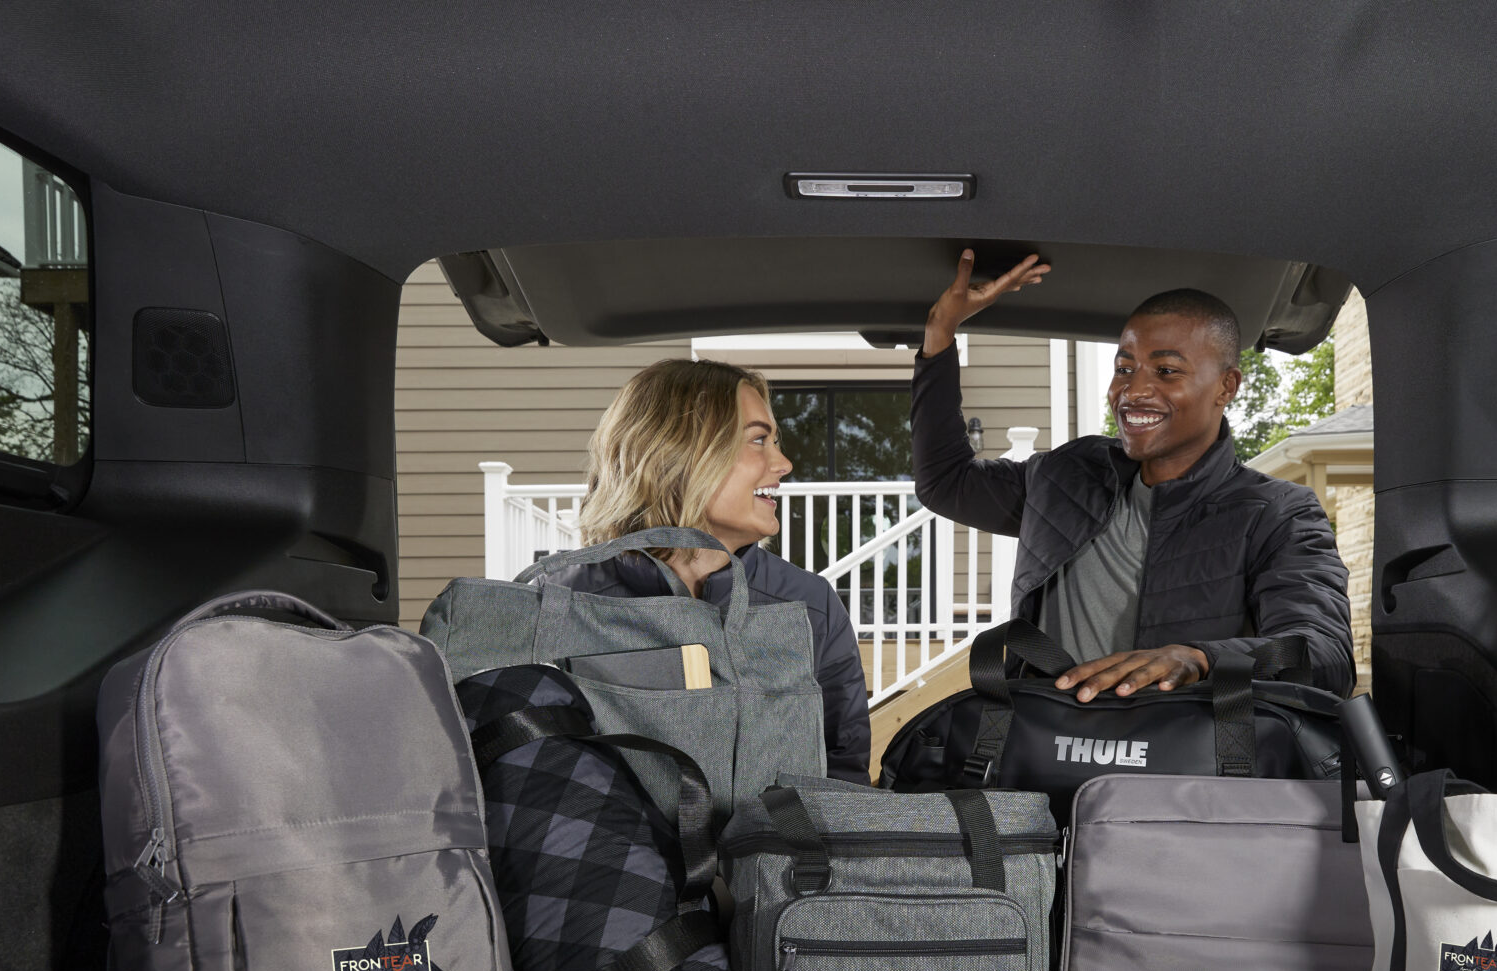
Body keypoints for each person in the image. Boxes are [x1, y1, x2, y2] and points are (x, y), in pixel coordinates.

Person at [911, 251, 1355, 700]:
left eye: (1166, 371)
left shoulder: (1278, 514)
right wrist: (939, 336)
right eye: (1124, 368)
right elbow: (945, 482)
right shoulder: (1066, 474)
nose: (1133, 390)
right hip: (1043, 743)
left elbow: (1323, 656)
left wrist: (1201, 659)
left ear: (1227, 387)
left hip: (1177, 757)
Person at [532, 358, 871, 781]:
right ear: (680, 452)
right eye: (759, 441)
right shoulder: (558, 603)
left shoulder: (810, 604)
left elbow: (843, 777)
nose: (783, 464)